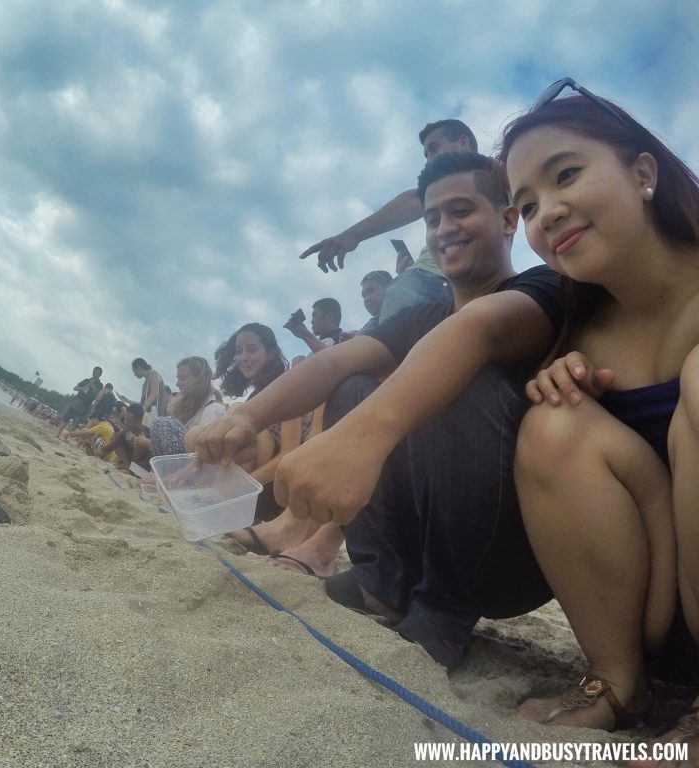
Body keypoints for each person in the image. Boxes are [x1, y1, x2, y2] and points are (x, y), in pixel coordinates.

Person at [196, 151, 565, 670]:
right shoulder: (425, 314)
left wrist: (362, 439)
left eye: (461, 211)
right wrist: (246, 417)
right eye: (433, 218)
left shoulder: (543, 289)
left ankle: (443, 607)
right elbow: (335, 363)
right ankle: (381, 583)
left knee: (460, 376)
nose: (444, 229)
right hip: (428, 530)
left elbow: (477, 331)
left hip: (511, 554)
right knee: (352, 384)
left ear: (508, 220)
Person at [497, 80, 699, 749]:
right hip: (660, 614)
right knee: (553, 418)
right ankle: (617, 682)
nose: (546, 213)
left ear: (642, 172)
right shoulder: (581, 335)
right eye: (526, 206)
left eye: (567, 175)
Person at [300, 118, 477, 274]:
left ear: (463, 143)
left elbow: (414, 199)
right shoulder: (436, 190)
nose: (429, 159)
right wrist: (352, 235)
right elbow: (415, 199)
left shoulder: (497, 176)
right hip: (420, 281)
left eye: (434, 148)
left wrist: (353, 235)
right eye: (426, 154)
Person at [213, 323, 300, 523]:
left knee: (242, 419)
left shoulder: (286, 388)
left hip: (273, 489)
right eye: (239, 351)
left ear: (270, 353)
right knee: (234, 413)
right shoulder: (255, 395)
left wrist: (240, 487)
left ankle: (225, 496)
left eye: (251, 350)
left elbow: (288, 453)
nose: (243, 357)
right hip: (251, 486)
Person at [150, 357, 227, 457]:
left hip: (197, 465)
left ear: (199, 380)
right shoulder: (187, 407)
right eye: (178, 378)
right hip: (183, 462)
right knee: (158, 424)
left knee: (164, 424)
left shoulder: (213, 410)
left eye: (183, 378)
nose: (177, 383)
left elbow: (203, 453)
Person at [98, 403, 152, 469]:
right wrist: (95, 452)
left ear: (139, 421)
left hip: (143, 463)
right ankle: (128, 466)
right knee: (114, 437)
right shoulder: (127, 431)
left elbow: (149, 457)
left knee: (139, 442)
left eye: (129, 421)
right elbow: (111, 446)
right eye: (125, 420)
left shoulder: (147, 433)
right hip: (128, 461)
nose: (125, 423)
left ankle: (130, 468)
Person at [57, 366, 104, 437]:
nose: (95, 374)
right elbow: (75, 388)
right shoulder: (86, 380)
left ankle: (66, 436)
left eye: (97, 373)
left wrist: (93, 387)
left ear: (100, 375)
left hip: (85, 406)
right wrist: (82, 388)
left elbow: (98, 396)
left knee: (76, 423)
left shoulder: (100, 385)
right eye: (94, 372)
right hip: (76, 401)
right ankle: (58, 433)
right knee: (65, 418)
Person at [126, 358, 169, 423]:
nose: (134, 374)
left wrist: (141, 411)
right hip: (149, 415)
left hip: (155, 416)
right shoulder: (146, 381)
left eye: (134, 371)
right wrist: (127, 400)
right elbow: (142, 403)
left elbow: (154, 393)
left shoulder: (152, 373)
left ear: (139, 367)